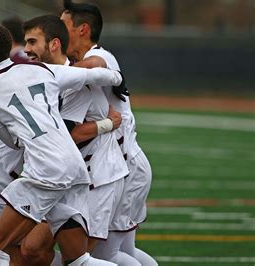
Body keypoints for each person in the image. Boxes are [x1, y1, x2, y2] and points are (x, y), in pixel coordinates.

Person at [0, 24, 123, 266]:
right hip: (75, 168)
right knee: (78, 261)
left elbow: (12, 143)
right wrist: (116, 78)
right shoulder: (41, 70)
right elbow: (92, 74)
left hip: (45, 172)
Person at [21, 14, 128, 264]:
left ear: (54, 44)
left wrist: (107, 123)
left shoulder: (74, 81)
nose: (26, 49)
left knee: (80, 259)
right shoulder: (48, 76)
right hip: (71, 178)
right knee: (31, 250)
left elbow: (70, 134)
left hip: (99, 178)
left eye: (32, 42)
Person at [61, 1, 158, 265]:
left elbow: (95, 65)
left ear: (83, 29)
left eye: (63, 26)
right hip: (120, 166)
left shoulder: (100, 57)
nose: (57, 32)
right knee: (120, 252)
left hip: (123, 168)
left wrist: (44, 73)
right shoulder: (79, 62)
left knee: (103, 255)